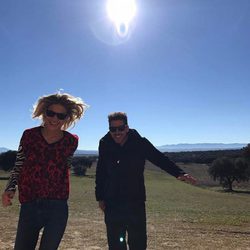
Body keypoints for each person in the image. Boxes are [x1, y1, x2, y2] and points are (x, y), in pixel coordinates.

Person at [95, 112, 196, 250]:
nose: (117, 132)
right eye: (113, 129)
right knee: (116, 244)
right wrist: (100, 197)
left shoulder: (140, 142)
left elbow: (159, 158)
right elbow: (101, 171)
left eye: (121, 128)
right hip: (112, 202)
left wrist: (179, 173)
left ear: (127, 127)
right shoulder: (104, 143)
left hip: (135, 200)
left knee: (138, 243)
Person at [1, 92, 88, 250]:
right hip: (30, 204)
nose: (54, 119)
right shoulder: (29, 136)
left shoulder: (71, 141)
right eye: (51, 113)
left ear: (67, 118)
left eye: (60, 116)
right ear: (44, 112)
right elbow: (19, 163)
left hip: (58, 207)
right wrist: (10, 188)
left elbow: (65, 167)